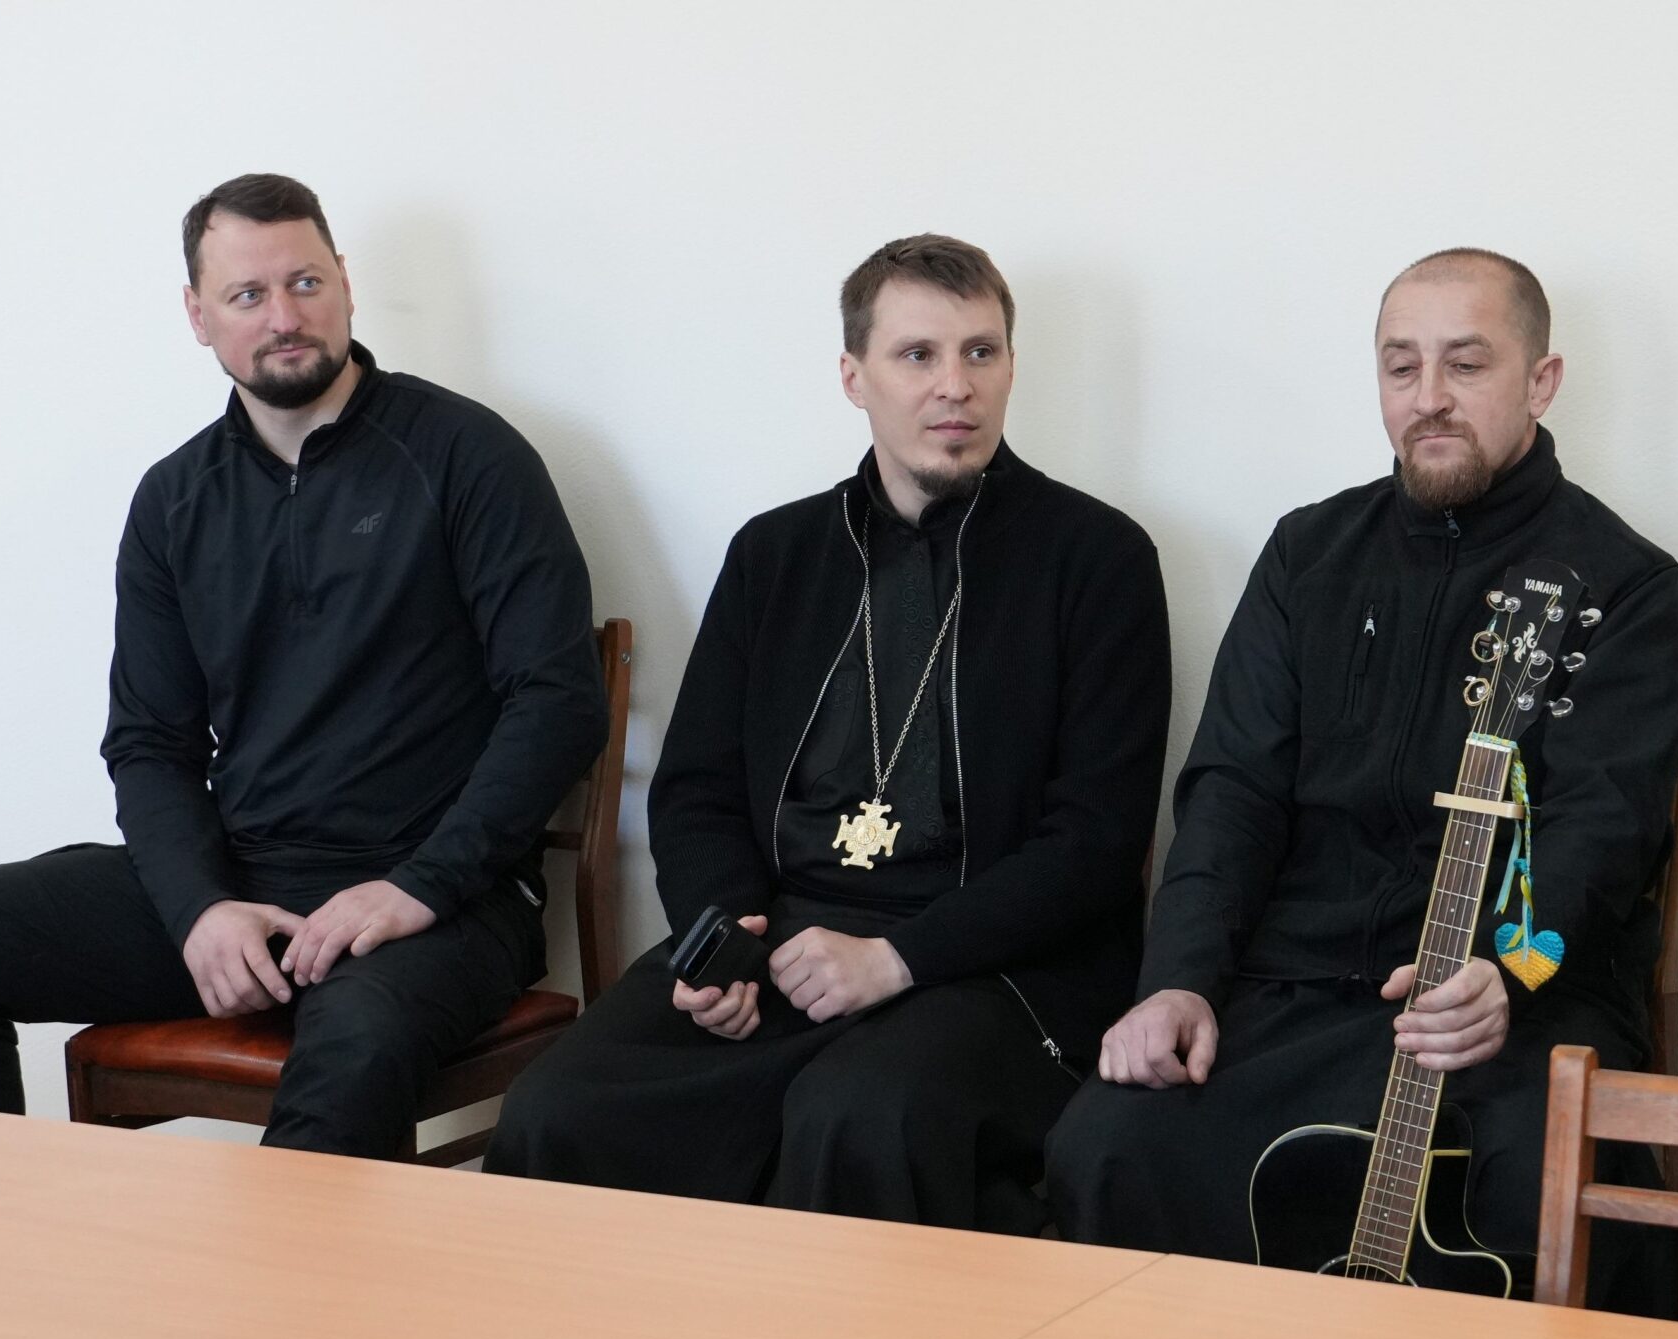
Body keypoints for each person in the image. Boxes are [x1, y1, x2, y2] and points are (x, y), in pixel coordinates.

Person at [0, 173, 608, 1157]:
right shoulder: (174, 500)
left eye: (305, 283)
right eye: (248, 295)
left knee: (354, 1041)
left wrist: (418, 886)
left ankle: (283, 1270)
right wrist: (200, 910)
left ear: (345, 284)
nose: (284, 317)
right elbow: (149, 742)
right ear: (198, 315)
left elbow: (557, 701)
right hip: (244, 877)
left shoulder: (469, 456)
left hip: (437, 899)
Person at [1044, 248, 1678, 1316]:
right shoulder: (1307, 553)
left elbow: (1604, 827)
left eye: (1465, 364)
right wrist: (1179, 980)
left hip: (1511, 1002)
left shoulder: (1625, 584)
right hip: (1295, 990)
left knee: (1523, 1195)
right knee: (1112, 1143)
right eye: (1402, 367)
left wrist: (1510, 971)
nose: (1428, 396)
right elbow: (1232, 791)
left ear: (1541, 381)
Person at [484, 235, 1169, 1235]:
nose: (955, 386)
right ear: (854, 377)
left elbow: (1097, 842)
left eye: (980, 353)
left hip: (997, 963)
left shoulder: (1098, 558)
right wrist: (721, 943)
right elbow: (698, 788)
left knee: (862, 1116)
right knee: (558, 1109)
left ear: (1011, 368)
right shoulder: (777, 555)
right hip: (785, 939)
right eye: (917, 354)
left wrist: (896, 959)